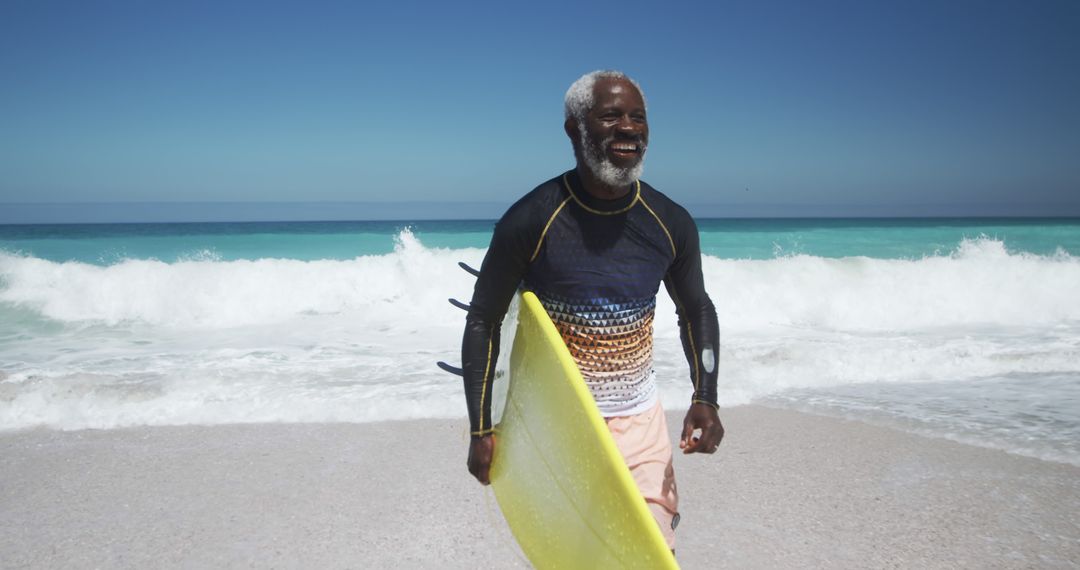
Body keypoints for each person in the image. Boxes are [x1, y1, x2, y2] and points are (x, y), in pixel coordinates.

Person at [460, 69, 723, 549]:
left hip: (640, 421)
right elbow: (484, 319)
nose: (629, 129)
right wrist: (482, 426)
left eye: (638, 118)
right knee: (578, 553)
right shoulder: (531, 220)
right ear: (574, 129)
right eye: (611, 117)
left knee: (647, 547)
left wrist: (705, 397)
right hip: (558, 422)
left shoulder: (671, 223)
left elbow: (696, 310)